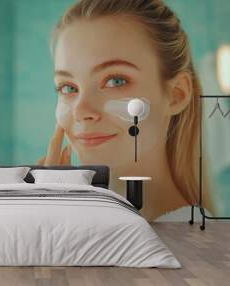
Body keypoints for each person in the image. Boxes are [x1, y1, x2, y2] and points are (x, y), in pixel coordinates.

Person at [39, 0, 213, 221]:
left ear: (176, 94)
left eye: (116, 81)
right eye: (68, 87)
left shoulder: (190, 245)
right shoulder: (85, 225)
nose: (81, 111)